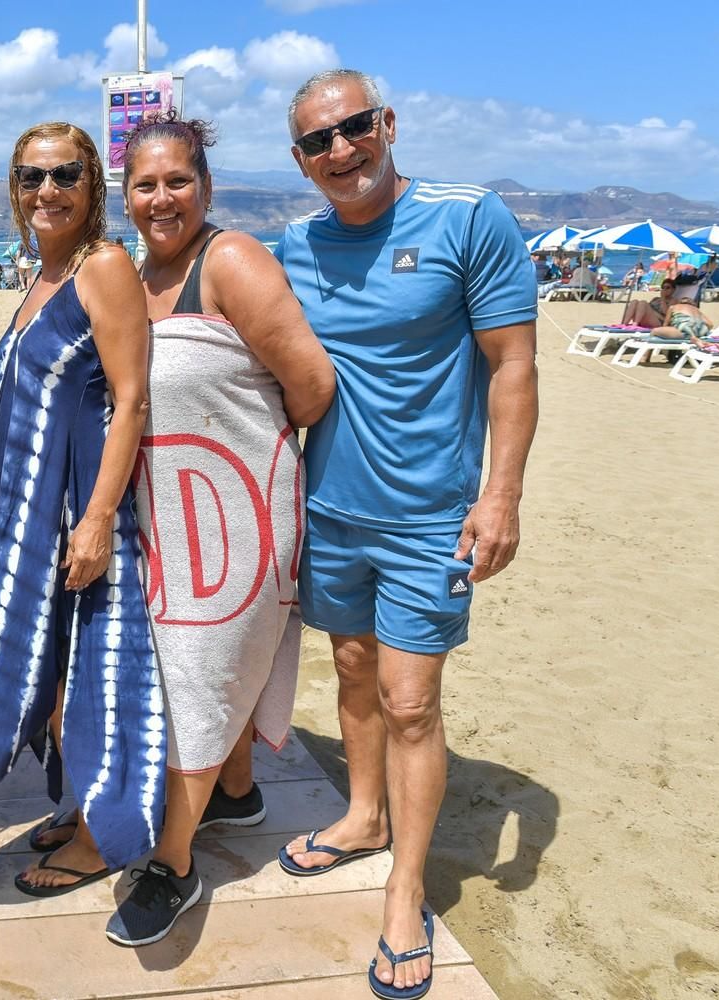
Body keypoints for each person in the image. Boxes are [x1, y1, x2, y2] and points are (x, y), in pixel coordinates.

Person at [34, 109, 331, 947]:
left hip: (236, 512)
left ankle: (173, 862)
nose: (162, 198)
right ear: (123, 196)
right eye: (145, 185)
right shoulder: (133, 274)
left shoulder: (229, 260)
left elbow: (310, 386)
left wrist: (237, 444)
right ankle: (235, 794)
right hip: (165, 519)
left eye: (178, 182)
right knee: (180, 672)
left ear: (206, 186)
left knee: (198, 675)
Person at [276, 70, 539, 1000]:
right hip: (330, 508)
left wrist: (500, 495)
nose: (341, 151)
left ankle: (404, 888)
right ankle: (362, 815)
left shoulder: (470, 218)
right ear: (301, 161)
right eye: (318, 141)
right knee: (350, 668)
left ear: (387, 124)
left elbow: (511, 365)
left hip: (432, 513)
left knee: (412, 701)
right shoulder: (295, 244)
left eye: (354, 128)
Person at [0, 122, 164, 899]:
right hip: (29, 518)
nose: (45, 191)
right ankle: (79, 804)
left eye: (63, 176)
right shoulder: (44, 278)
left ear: (93, 187)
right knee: (45, 672)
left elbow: (131, 402)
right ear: (13, 193)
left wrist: (94, 520)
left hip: (80, 516)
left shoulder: (105, 267)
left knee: (91, 670)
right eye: (29, 178)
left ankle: (99, 835)